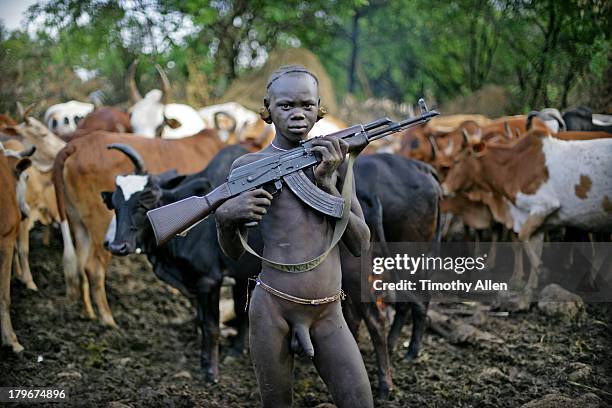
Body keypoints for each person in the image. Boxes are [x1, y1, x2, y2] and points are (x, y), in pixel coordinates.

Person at [215, 65, 374, 408]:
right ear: (267, 110)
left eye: (306, 105)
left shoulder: (337, 163)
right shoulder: (247, 168)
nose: (297, 114)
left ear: (319, 109)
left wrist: (328, 185)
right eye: (286, 106)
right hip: (271, 307)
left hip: (329, 310)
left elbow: (361, 244)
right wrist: (225, 217)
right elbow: (232, 254)